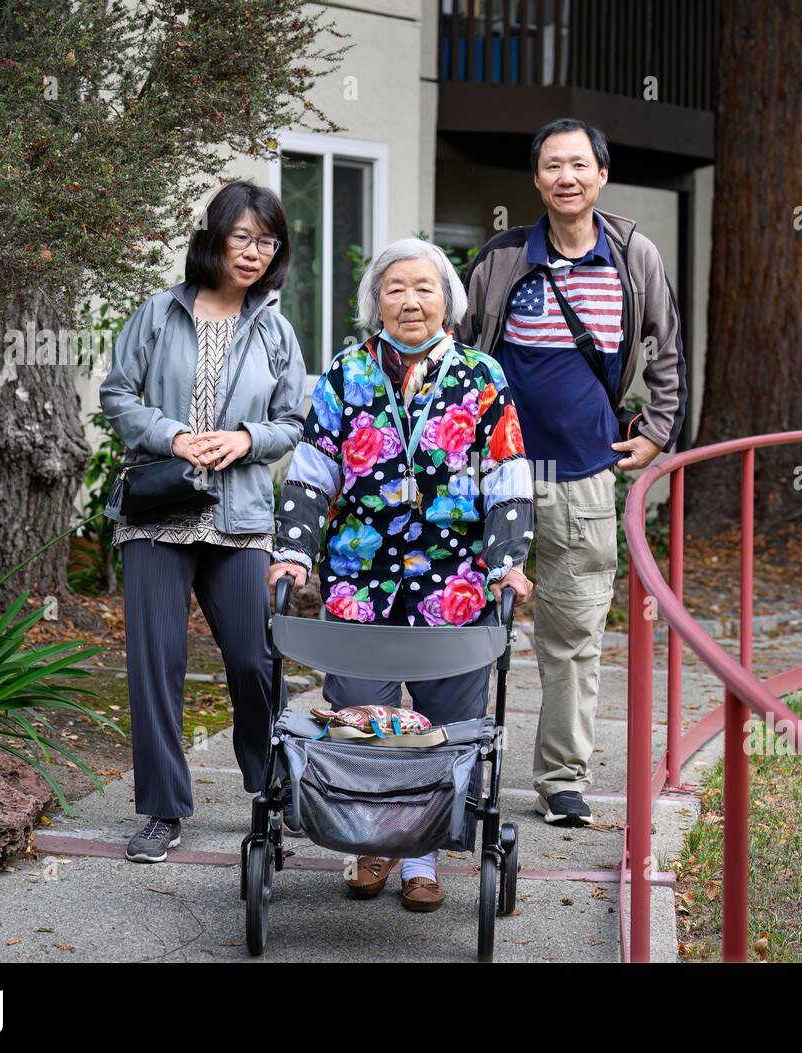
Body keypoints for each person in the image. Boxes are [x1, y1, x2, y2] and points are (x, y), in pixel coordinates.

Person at [269, 237, 534, 911]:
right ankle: (370, 841)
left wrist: (509, 563)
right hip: (361, 576)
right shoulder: (345, 373)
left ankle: (422, 856)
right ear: (375, 301)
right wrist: (293, 550)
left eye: (425, 287)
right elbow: (312, 471)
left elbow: (505, 474)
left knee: (446, 723)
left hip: (456, 575)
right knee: (360, 716)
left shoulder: (482, 375)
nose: (410, 300)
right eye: (395, 288)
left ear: (448, 299)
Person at [458, 118, 687, 827]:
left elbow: (668, 351)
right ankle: (458, 767)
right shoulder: (500, 258)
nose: (566, 176)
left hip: (586, 477)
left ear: (601, 175)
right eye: (553, 164)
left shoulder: (632, 255)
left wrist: (656, 431)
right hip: (497, 475)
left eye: (579, 164)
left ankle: (561, 780)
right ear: (536, 179)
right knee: (464, 624)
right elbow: (458, 355)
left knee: (573, 636)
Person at [100, 179, 307, 863]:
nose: (254, 251)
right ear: (214, 237)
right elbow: (117, 394)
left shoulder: (275, 328)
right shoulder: (157, 314)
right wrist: (171, 435)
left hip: (240, 515)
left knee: (255, 659)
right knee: (157, 663)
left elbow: (292, 421)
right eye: (242, 235)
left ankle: (270, 788)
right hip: (158, 512)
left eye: (267, 239)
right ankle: (162, 808)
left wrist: (246, 439)